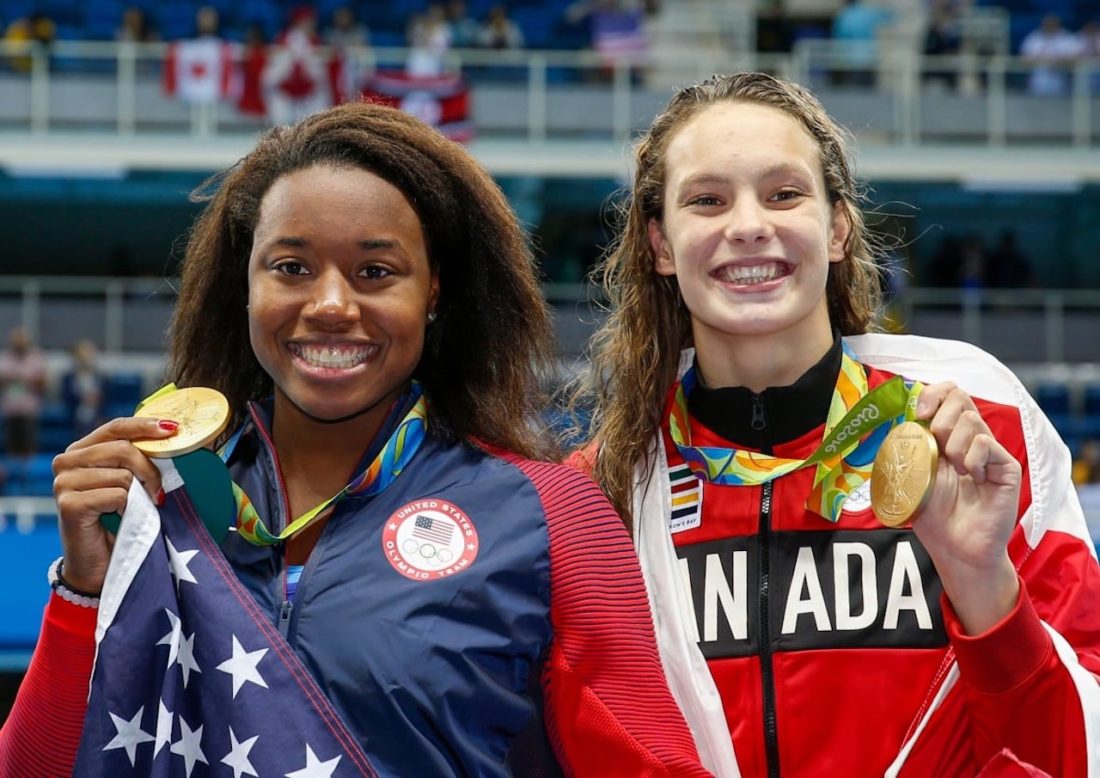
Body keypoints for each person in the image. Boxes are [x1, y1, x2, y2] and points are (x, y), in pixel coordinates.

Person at [0, 103, 709, 776]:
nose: (331, 305)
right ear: (244, 285)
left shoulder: (552, 513)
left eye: (375, 271)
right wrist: (86, 593)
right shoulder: (165, 504)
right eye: (291, 268)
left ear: (433, 292)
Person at [571, 72, 1100, 776]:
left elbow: (1069, 753)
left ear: (839, 229)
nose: (749, 224)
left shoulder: (975, 431)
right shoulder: (606, 488)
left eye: (784, 194)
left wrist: (982, 584)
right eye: (707, 200)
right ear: (662, 246)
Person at [0, 326, 46, 460]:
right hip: (11, 410)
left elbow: (44, 382)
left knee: (28, 446)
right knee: (12, 446)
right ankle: (13, 473)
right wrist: (10, 378)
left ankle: (27, 475)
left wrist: (26, 379)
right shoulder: (5, 358)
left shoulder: (36, 357)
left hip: (29, 411)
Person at [60, 339, 105, 440]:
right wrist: (82, 398)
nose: (86, 358)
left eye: (89, 354)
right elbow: (66, 397)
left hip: (95, 413)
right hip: (75, 413)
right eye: (82, 355)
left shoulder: (100, 377)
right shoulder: (69, 377)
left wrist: (96, 399)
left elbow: (106, 398)